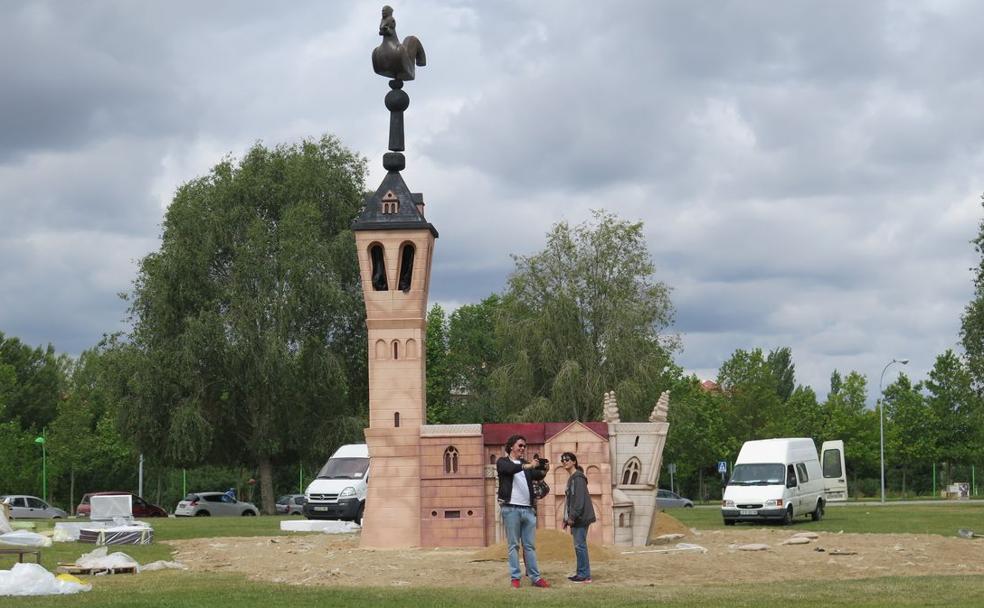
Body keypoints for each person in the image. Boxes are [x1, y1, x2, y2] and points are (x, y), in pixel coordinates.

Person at [496, 434, 550, 589]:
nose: (522, 448)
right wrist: (528, 465)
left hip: (527, 510)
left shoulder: (526, 464)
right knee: (513, 545)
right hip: (511, 508)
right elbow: (512, 469)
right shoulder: (502, 462)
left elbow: (537, 475)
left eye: (524, 446)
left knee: (530, 546)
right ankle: (515, 577)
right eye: (520, 445)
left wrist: (544, 469)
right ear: (511, 446)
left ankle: (535, 577)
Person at [561, 451, 596, 583]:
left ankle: (585, 575)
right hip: (576, 518)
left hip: (581, 518)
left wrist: (572, 517)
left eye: (567, 459)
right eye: (563, 460)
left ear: (574, 461)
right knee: (579, 546)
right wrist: (566, 519)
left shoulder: (578, 478)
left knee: (580, 546)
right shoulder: (572, 478)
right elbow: (569, 501)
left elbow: (579, 501)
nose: (565, 461)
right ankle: (581, 573)